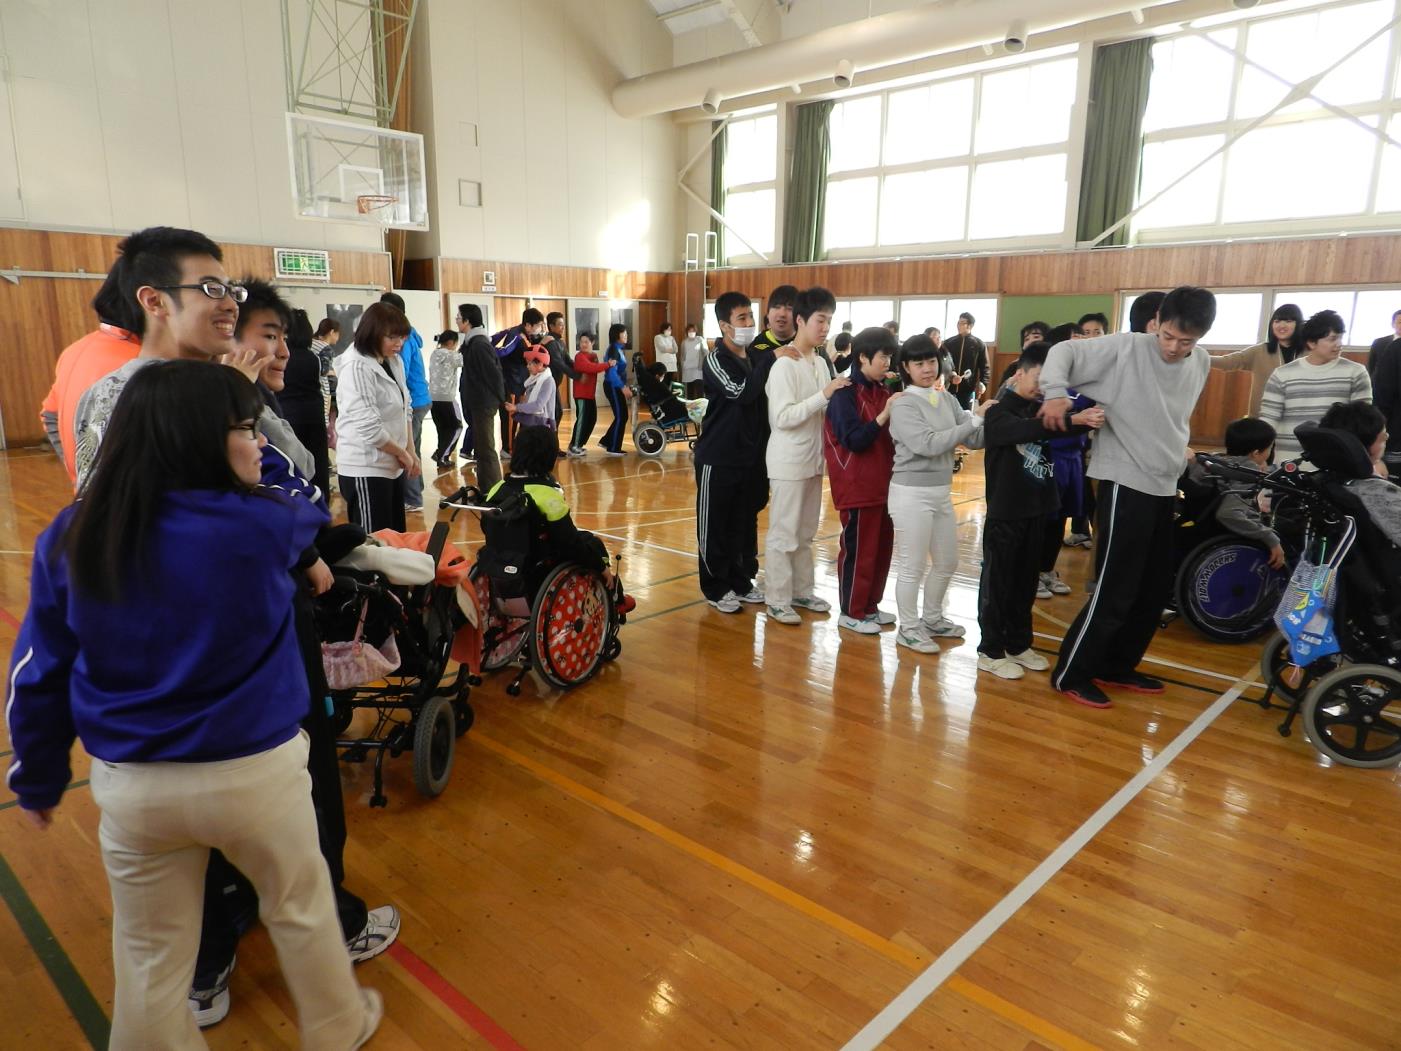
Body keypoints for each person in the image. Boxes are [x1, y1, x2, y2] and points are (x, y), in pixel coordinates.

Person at [6, 360, 382, 1050]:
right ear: (198, 439)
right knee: (301, 909)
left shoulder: (73, 533)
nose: (256, 443)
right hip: (256, 774)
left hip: (134, 783)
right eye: (243, 429)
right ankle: (337, 1025)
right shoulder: (266, 522)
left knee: (150, 953)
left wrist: (36, 773)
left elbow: (37, 673)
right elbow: (302, 499)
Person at [1039, 285, 1217, 709]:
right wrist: (1055, 393)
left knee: (1153, 588)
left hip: (1162, 483)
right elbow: (1063, 352)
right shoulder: (1126, 348)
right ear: (1158, 322)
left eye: (1186, 341)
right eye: (1168, 336)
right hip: (1123, 479)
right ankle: (1071, 673)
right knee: (1115, 587)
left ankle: (1116, 665)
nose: (1174, 348)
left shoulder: (1202, 362)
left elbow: (1169, 416)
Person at [72, 226, 250, 489]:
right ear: (154, 301)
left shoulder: (101, 390)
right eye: (211, 288)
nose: (231, 305)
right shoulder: (176, 396)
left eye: (230, 291)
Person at [979, 350, 1102, 680]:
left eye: (1049, 384)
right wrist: (1072, 420)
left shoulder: (1041, 409)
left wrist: (1078, 419)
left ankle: (1018, 644)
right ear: (1020, 373)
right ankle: (990, 650)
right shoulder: (998, 411)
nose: (1042, 389)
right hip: (1006, 514)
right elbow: (1021, 430)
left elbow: (1056, 428)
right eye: (1038, 380)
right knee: (999, 584)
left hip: (1037, 511)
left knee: (1025, 583)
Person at [886, 333, 985, 654]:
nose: (928, 369)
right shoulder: (902, 404)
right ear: (906, 368)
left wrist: (994, 416)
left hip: (941, 492)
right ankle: (909, 627)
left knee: (947, 561)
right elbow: (927, 444)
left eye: (932, 361)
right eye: (919, 363)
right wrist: (973, 423)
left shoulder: (947, 399)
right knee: (912, 566)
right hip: (910, 494)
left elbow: (972, 439)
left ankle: (932, 618)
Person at [764, 287, 848, 625]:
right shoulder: (783, 365)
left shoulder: (821, 363)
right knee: (784, 532)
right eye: (820, 320)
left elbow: (826, 413)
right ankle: (777, 597)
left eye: (829, 320)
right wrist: (825, 394)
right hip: (788, 461)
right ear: (801, 320)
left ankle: (801, 590)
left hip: (814, 460)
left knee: (805, 532)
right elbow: (782, 418)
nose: (825, 327)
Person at [486, 425, 635, 611]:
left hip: (501, 562)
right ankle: (614, 597)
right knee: (590, 542)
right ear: (549, 457)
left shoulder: (496, 489)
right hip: (538, 567)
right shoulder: (548, 495)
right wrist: (600, 567)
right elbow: (570, 543)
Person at [694, 291, 779, 613]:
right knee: (715, 524)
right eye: (742, 318)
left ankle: (741, 580)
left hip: (749, 457)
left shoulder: (755, 356)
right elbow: (741, 392)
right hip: (718, 457)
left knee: (743, 523)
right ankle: (715, 587)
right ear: (724, 325)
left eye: (750, 317)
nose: (748, 324)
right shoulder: (716, 359)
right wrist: (770, 358)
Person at [824, 327, 902, 635]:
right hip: (858, 486)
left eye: (890, 357)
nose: (887, 362)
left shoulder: (884, 391)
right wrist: (883, 416)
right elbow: (854, 440)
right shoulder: (845, 393)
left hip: (885, 485)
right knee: (860, 551)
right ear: (863, 357)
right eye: (883, 356)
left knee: (882, 549)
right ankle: (851, 611)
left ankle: (870, 606)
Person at [41, 259, 141, 484]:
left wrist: (78, 471)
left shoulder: (75, 349)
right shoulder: (140, 363)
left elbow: (49, 414)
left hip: (91, 499)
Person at [335, 301, 417, 533]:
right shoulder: (356, 366)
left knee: (394, 539)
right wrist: (402, 453)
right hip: (365, 467)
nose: (399, 344)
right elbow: (369, 427)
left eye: (402, 338)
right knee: (375, 544)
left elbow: (405, 407)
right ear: (373, 334)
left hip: (391, 465)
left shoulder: (393, 360)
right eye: (393, 338)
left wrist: (410, 450)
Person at [1259, 309, 1373, 464]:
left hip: (1337, 461)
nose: (1338, 344)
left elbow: (1362, 421)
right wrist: (1261, 457)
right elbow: (1268, 419)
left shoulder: (1356, 372)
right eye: (1332, 339)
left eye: (1340, 338)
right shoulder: (1282, 374)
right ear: (1311, 343)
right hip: (1289, 461)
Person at [1181, 417, 1285, 569]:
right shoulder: (1246, 470)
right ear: (1256, 453)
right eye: (1270, 448)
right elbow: (1228, 513)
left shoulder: (1213, 461)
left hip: (1196, 529)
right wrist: (1270, 538)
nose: (1270, 452)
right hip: (1220, 534)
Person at [1317, 401, 1401, 542]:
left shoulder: (1324, 480)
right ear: (1362, 446)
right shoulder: (1378, 492)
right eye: (1383, 437)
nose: (1387, 438)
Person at [380, 292, 430, 513]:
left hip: (413, 401)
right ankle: (414, 490)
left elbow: (401, 373)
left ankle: (412, 499)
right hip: (417, 399)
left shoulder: (404, 339)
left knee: (408, 449)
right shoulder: (408, 334)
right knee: (412, 448)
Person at [1210, 303, 1305, 417]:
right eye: (1277, 321)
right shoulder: (1260, 351)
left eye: (1288, 321)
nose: (1282, 325)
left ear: (1298, 324)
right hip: (1262, 419)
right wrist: (1198, 355)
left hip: (1297, 417)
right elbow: (1227, 362)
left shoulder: (1309, 352)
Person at [278, 309, 334, 501]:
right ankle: (321, 504)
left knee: (294, 468)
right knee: (318, 468)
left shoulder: (282, 356)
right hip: (314, 417)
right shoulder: (313, 358)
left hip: (289, 418)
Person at [457, 303, 504, 492]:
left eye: (459, 318)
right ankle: (486, 488)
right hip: (477, 401)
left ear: (468, 321)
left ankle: (494, 490)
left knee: (486, 449)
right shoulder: (472, 343)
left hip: (484, 402)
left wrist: (502, 399)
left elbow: (493, 375)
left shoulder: (479, 344)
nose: (457, 321)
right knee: (481, 448)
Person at [492, 307, 545, 450]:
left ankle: (516, 445)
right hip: (511, 382)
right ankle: (507, 448)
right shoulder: (516, 335)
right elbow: (506, 352)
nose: (540, 328)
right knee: (510, 417)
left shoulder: (525, 334)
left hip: (520, 382)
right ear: (528, 325)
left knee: (521, 414)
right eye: (539, 325)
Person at [566, 332, 611, 458]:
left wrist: (600, 365)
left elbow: (595, 366)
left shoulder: (593, 355)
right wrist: (607, 364)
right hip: (581, 394)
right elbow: (591, 368)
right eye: (581, 342)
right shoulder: (579, 357)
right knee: (582, 420)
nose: (583, 344)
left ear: (592, 343)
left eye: (586, 342)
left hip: (590, 394)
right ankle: (573, 447)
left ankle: (579, 444)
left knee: (592, 419)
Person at [429, 329, 465, 466]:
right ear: (451, 342)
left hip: (432, 398)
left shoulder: (434, 354)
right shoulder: (451, 355)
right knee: (457, 427)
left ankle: (441, 455)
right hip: (447, 398)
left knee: (442, 429)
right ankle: (442, 455)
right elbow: (465, 359)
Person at [943, 311, 987, 411]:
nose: (959, 325)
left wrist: (983, 383)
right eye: (958, 323)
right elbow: (943, 363)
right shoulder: (948, 343)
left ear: (970, 326)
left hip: (967, 389)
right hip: (949, 387)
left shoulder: (979, 344)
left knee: (966, 417)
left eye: (962, 323)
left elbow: (985, 367)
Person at [598, 323, 631, 456]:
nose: (626, 336)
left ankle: (607, 441)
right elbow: (612, 373)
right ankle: (613, 447)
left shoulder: (618, 349)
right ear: (617, 336)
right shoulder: (613, 350)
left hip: (616, 386)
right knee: (621, 416)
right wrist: (622, 387)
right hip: (613, 387)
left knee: (622, 416)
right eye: (624, 334)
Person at [543, 311, 579, 421]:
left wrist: (581, 369)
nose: (563, 327)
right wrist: (576, 376)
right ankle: (551, 437)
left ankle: (552, 437)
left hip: (554, 384)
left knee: (557, 413)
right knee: (554, 414)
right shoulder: (551, 341)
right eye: (560, 324)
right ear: (551, 326)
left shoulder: (560, 342)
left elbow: (567, 360)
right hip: (547, 384)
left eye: (563, 324)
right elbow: (558, 363)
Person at [510, 347, 556, 429]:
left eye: (530, 364)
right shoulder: (532, 379)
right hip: (531, 421)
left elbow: (538, 405)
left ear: (540, 364)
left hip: (542, 425)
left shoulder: (548, 381)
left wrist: (517, 407)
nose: (527, 367)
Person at [1368, 309, 1401, 378]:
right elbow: (1371, 367)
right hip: (1383, 385)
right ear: (1393, 324)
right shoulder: (1379, 343)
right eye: (1400, 322)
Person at [680, 322, 706, 399]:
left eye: (693, 331)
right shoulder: (684, 342)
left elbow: (706, 352)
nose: (691, 333)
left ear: (696, 331)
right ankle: (690, 408)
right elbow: (682, 355)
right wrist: (683, 365)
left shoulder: (700, 339)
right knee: (689, 391)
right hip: (687, 369)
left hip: (698, 369)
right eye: (689, 331)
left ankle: (701, 409)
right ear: (687, 332)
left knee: (699, 390)